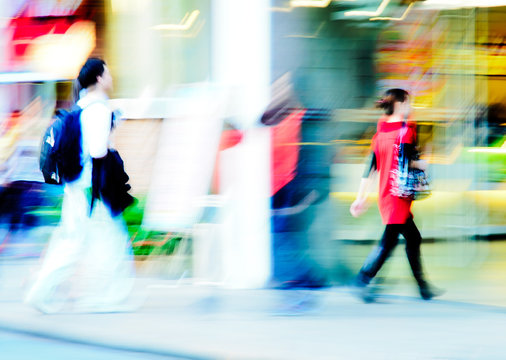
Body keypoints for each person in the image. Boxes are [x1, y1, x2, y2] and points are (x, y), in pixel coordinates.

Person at [25, 58, 136, 313]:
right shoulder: (100, 109)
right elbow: (97, 152)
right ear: (99, 78)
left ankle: (40, 290)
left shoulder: (81, 106)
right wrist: (111, 144)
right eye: (107, 72)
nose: (111, 76)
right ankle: (108, 296)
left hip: (74, 188)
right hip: (92, 191)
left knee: (71, 242)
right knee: (112, 240)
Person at [350, 88, 442, 302]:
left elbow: (370, 168)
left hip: (387, 195)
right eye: (409, 103)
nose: (411, 107)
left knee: (411, 237)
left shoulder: (380, 133)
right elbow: (407, 162)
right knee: (391, 241)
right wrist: (423, 163)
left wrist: (360, 197)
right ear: (400, 104)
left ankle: (422, 287)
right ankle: (363, 278)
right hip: (398, 196)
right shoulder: (405, 132)